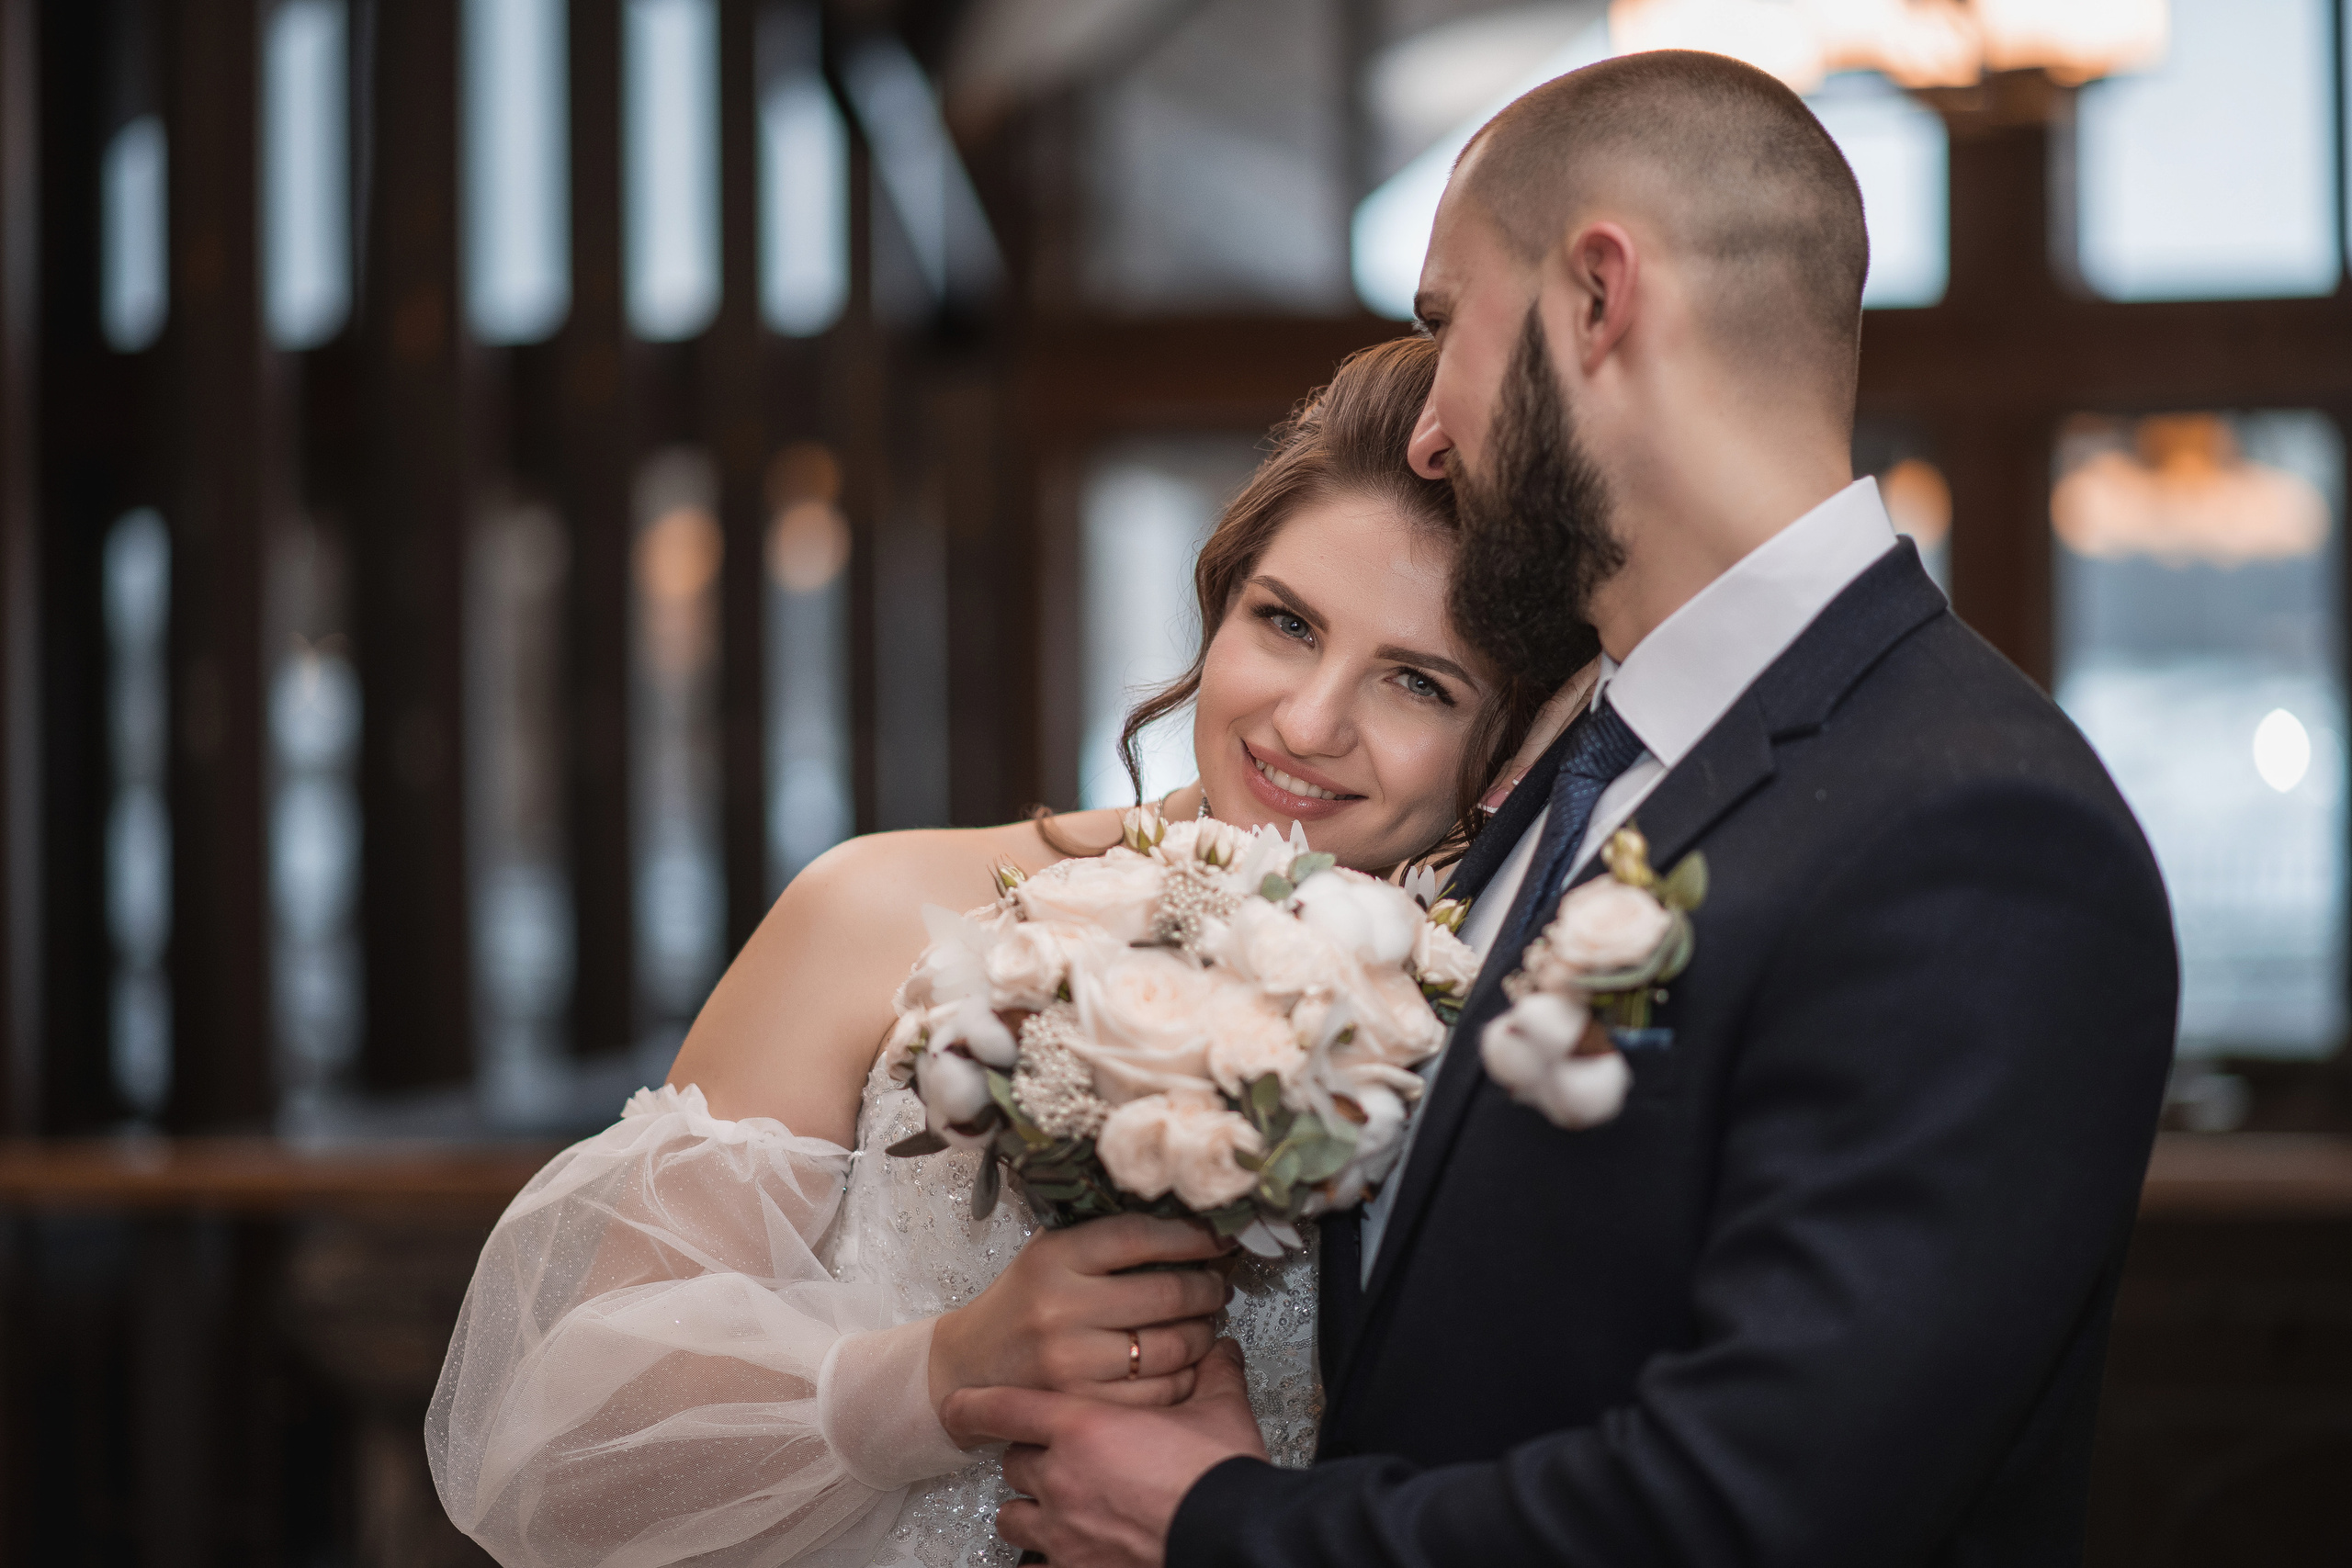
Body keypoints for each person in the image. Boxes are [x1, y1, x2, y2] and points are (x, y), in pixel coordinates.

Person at [940, 50, 2180, 1568]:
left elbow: (1761, 1513)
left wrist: (1220, 1529)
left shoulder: (1978, 829)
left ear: (1599, 298)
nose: (1430, 435)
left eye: (1447, 327)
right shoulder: (1582, 772)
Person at [424, 336, 1566, 1568]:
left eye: (1417, 683)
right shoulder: (873, 907)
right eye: (1285, 623)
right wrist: (940, 1375)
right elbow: (572, 1453)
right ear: (1219, 601)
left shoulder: (1504, 1019)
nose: (1308, 721)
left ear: (1507, 745)